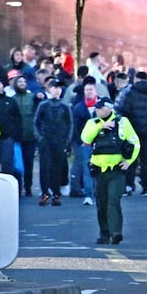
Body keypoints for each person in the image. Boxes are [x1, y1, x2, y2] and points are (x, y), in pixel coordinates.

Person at [81, 97, 140, 244]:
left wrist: (129, 162)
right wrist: (100, 127)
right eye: (96, 108)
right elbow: (85, 138)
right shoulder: (93, 122)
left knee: (113, 200)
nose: (98, 110)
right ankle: (104, 234)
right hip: (99, 170)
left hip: (116, 170)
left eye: (101, 108)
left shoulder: (122, 122)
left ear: (109, 108)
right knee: (101, 203)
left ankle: (116, 232)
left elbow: (135, 142)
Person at [116, 71, 147, 197]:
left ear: (136, 79)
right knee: (146, 161)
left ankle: (129, 185)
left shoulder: (130, 93)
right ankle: (146, 187)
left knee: (131, 158)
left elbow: (124, 110)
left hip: (133, 130)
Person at [33, 78, 73, 206]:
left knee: (57, 167)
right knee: (45, 167)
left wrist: (67, 140)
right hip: (46, 140)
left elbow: (70, 124)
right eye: (54, 88)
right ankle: (45, 192)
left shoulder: (64, 106)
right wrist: (40, 137)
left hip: (60, 140)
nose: (57, 91)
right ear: (49, 89)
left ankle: (56, 193)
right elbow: (36, 122)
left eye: (59, 88)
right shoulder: (43, 105)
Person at [70, 80, 98, 205]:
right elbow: (75, 127)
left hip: (100, 142)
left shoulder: (102, 105)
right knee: (87, 168)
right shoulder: (78, 108)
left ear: (95, 91)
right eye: (86, 90)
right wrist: (80, 141)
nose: (89, 92)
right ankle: (88, 194)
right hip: (84, 143)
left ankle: (99, 191)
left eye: (91, 89)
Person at [12, 74, 37, 196]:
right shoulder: (12, 99)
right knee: (17, 164)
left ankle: (28, 187)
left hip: (30, 136)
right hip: (17, 137)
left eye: (24, 81)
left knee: (29, 163)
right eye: (19, 81)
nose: (22, 83)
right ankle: (18, 187)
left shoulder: (31, 97)